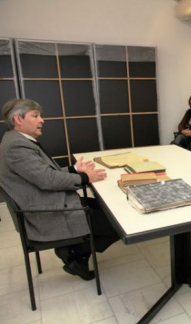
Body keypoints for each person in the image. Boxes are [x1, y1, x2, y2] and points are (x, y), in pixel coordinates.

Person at [0, 99, 119, 281]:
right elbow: (47, 180)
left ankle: (77, 257)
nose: (42, 120)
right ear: (18, 119)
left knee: (108, 209)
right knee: (118, 223)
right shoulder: (17, 146)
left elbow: (42, 174)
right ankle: (74, 251)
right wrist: (85, 178)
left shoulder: (15, 140)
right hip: (47, 212)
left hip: (48, 201)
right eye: (35, 116)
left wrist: (74, 170)